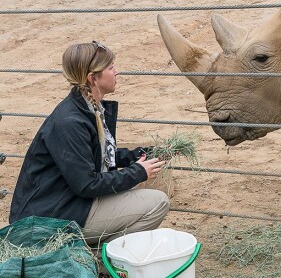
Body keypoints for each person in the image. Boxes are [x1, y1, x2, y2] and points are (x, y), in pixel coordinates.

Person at [9, 41, 170, 248]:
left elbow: (97, 154)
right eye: (111, 68)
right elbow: (86, 184)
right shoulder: (70, 122)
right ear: (93, 78)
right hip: (49, 219)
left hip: (66, 204)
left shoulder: (88, 108)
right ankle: (99, 261)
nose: (117, 72)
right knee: (157, 203)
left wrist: (139, 155)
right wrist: (138, 172)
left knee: (149, 200)